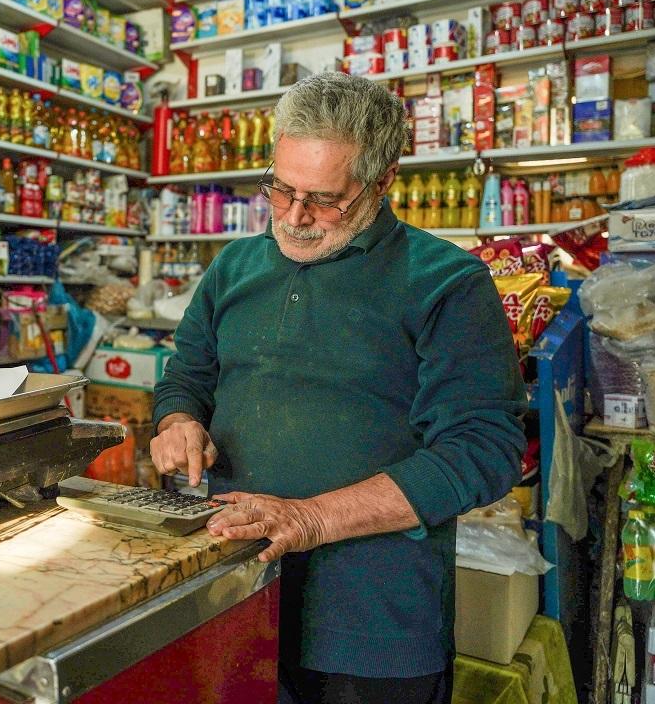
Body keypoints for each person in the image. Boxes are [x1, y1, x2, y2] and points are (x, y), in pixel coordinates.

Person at [149, 72, 526, 704]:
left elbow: (483, 450)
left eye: (326, 200)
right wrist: (178, 422)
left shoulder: (447, 282)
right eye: (281, 189)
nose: (295, 217)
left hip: (373, 627)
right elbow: (186, 378)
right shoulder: (234, 267)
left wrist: (311, 518)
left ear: (383, 181)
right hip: (235, 596)